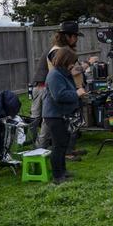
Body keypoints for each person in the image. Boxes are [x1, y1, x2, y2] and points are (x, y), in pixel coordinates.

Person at [33, 21, 87, 160]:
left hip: (60, 91)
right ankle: (40, 153)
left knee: (62, 124)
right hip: (52, 93)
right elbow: (70, 71)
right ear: (67, 36)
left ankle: (65, 151)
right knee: (48, 125)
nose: (76, 39)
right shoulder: (57, 52)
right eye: (75, 36)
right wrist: (87, 65)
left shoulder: (62, 50)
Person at [43, 47, 87, 184]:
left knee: (63, 144)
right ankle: (57, 176)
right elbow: (59, 96)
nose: (73, 65)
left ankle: (63, 171)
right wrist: (76, 93)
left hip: (62, 114)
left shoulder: (63, 73)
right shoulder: (55, 75)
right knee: (58, 146)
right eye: (72, 62)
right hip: (54, 116)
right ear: (65, 60)